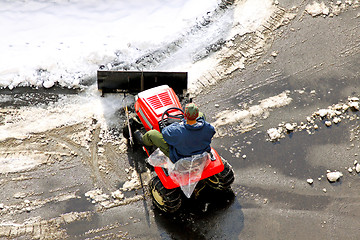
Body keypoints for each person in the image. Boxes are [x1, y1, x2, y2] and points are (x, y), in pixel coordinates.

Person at [142, 103, 216, 163]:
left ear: (185, 116)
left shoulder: (176, 131)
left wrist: (179, 124)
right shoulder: (208, 128)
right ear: (196, 116)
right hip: (201, 152)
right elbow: (212, 132)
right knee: (201, 114)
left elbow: (164, 132)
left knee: (152, 134)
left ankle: (143, 141)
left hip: (180, 156)